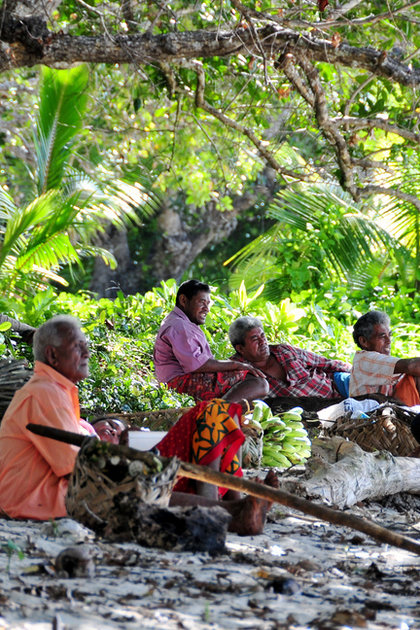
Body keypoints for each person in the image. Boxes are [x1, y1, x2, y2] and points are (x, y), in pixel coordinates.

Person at [0, 315, 275, 535]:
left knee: (210, 416)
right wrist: (137, 464)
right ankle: (232, 514)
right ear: (52, 355)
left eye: (85, 344)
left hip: (61, 490)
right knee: (140, 479)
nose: (87, 352)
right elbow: (75, 467)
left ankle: (235, 505)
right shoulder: (44, 392)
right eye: (77, 346)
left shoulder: (54, 390)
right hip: (39, 499)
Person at [153, 280, 269, 407]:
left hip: (179, 381)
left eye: (208, 304)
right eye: (202, 302)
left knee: (250, 387)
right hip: (179, 384)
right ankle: (216, 412)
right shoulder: (179, 325)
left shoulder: (179, 322)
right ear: (183, 300)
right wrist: (236, 365)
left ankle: (224, 414)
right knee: (258, 382)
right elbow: (197, 365)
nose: (207, 309)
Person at [228, 316, 351, 399]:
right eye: (255, 339)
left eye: (263, 336)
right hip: (317, 410)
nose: (263, 342)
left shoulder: (283, 351)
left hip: (336, 385)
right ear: (240, 348)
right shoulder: (239, 370)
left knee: (366, 380)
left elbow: (325, 362)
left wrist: (354, 370)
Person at [350, 310, 420, 406]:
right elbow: (411, 366)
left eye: (389, 335)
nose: (389, 341)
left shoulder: (382, 362)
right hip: (371, 416)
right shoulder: (364, 360)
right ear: (364, 341)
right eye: (382, 336)